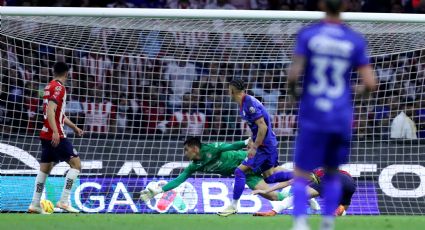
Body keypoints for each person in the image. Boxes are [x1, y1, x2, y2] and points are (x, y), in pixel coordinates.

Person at [287, 0, 376, 229]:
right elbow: (370, 83)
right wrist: (351, 93)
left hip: (313, 111)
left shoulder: (309, 35)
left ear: (322, 4)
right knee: (333, 171)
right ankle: (327, 222)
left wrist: (298, 95)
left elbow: (293, 76)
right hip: (339, 114)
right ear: (346, 5)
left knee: (301, 170)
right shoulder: (354, 39)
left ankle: (300, 223)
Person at [217, 78, 297, 217]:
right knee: (270, 178)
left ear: (232, 90)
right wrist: (252, 140)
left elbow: (263, 126)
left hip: (264, 146)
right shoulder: (244, 103)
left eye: (228, 89)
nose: (227, 92)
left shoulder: (249, 104)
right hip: (268, 143)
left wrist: (254, 147)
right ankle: (303, 178)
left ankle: (233, 206)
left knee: (239, 171)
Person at [139, 136, 293, 203]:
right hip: (244, 175)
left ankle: (309, 177)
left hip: (246, 160)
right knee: (272, 196)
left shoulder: (211, 148)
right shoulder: (194, 165)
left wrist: (247, 141)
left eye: (186, 150)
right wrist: (159, 191)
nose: (184, 153)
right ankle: (300, 196)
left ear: (194, 148)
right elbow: (179, 180)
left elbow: (230, 146)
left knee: (273, 173)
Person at [28, 62, 83, 214]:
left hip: (45, 134)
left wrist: (74, 127)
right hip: (55, 134)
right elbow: (51, 111)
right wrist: (55, 131)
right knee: (76, 165)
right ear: (67, 73)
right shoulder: (59, 88)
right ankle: (64, 201)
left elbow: (58, 114)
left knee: (44, 169)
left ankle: (34, 204)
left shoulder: (48, 86)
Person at [252, 168, 356, 217]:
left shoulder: (314, 173)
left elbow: (288, 182)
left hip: (331, 179)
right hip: (350, 183)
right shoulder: (323, 171)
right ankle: (340, 209)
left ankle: (273, 212)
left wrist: (265, 190)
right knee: (343, 206)